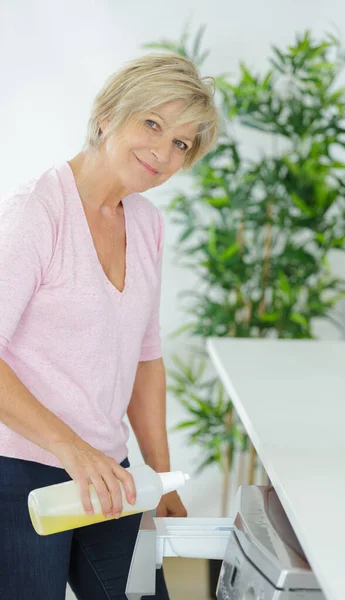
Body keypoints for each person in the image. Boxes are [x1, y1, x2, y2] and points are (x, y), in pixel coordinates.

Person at [0, 53, 219, 600]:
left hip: (110, 469)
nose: (163, 152)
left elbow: (145, 356)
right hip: (21, 465)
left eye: (182, 144)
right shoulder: (36, 212)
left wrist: (159, 476)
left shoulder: (146, 222)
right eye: (153, 124)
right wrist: (70, 449)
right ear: (106, 116)